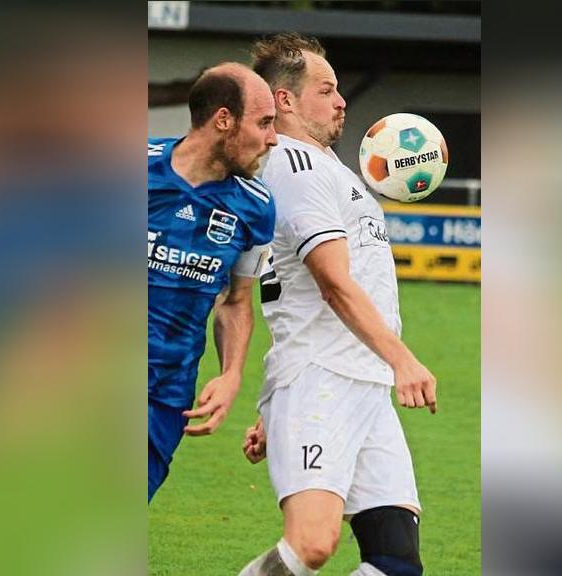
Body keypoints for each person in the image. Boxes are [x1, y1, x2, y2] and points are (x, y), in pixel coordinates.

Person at [238, 34, 436, 576]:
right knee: (311, 544)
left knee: (396, 563)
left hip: (363, 384)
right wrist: (403, 360)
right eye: (325, 90)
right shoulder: (293, 166)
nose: (341, 101)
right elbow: (332, 283)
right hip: (321, 380)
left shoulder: (329, 169)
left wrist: (275, 412)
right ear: (284, 100)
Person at [148, 62, 278, 502]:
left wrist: (231, 374)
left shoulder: (256, 207)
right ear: (224, 119)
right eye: (264, 123)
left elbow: (236, 301)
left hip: (166, 396)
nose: (272, 139)